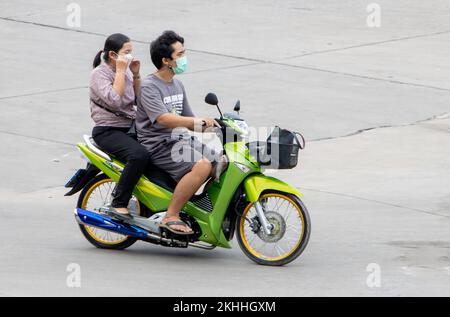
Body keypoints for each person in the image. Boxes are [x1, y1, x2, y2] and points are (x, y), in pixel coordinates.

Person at [136, 30, 227, 235]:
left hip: (182, 140)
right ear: (166, 60)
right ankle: (171, 215)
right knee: (202, 166)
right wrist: (197, 121)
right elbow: (163, 118)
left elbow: (189, 120)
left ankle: (199, 208)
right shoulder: (149, 86)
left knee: (222, 161)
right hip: (158, 144)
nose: (184, 59)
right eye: (180, 55)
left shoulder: (177, 84)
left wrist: (218, 125)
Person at [90, 33, 149, 220]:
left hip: (129, 127)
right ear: (113, 55)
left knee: (159, 149)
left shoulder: (127, 72)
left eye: (131, 52)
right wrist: (122, 72)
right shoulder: (99, 74)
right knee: (139, 155)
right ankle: (119, 203)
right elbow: (115, 100)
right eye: (126, 52)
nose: (130, 56)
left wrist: (137, 74)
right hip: (108, 130)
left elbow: (139, 101)